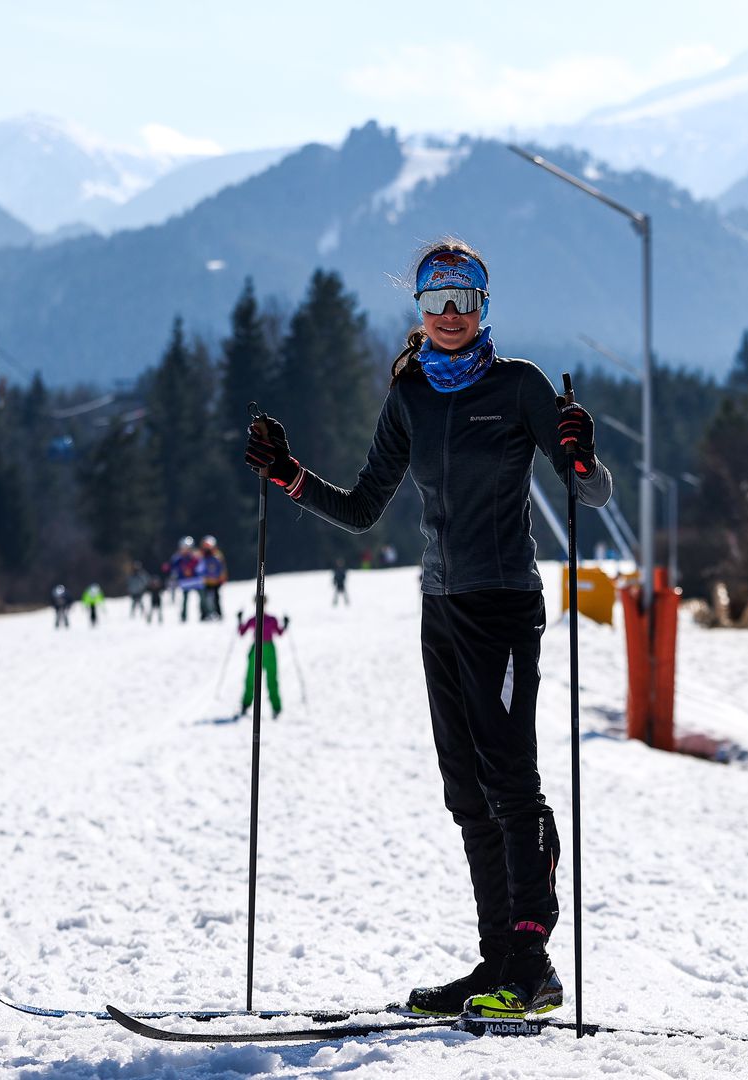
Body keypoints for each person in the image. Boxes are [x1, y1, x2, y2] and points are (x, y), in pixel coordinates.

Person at [243, 239, 612, 1020]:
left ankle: (533, 965)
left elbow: (593, 491)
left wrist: (581, 454)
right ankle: (494, 965)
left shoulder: (519, 388)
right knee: (466, 792)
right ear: (419, 310)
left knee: (512, 784)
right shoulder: (411, 394)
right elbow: (361, 506)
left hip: (504, 605)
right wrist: (287, 475)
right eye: (435, 301)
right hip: (440, 608)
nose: (449, 316)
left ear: (484, 306)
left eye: (463, 299)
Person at [236, 601, 288, 720]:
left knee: (272, 679)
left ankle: (276, 707)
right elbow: (242, 632)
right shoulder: (253, 619)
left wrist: (285, 624)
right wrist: (239, 620)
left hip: (269, 649)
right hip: (256, 649)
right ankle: (246, 704)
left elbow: (280, 632)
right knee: (250, 678)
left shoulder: (271, 619)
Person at [170, 537, 202, 622]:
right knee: (184, 600)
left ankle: (204, 614)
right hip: (185, 582)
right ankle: (183, 616)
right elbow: (173, 566)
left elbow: (199, 565)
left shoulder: (195, 557)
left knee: (202, 598)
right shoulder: (178, 558)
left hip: (195, 581)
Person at [197, 536, 227, 620]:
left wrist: (222, 578)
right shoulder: (202, 557)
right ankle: (205, 615)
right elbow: (199, 568)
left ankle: (218, 613)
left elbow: (221, 568)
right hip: (206, 581)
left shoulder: (217, 556)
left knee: (216, 598)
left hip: (216, 581)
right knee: (205, 599)